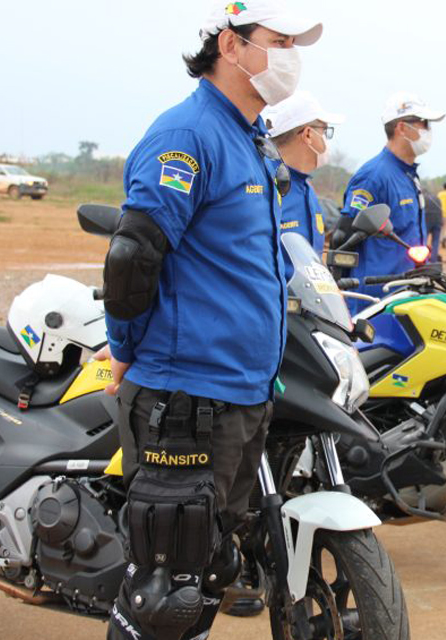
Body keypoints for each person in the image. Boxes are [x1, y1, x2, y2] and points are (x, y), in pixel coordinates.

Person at [101, 2, 321, 639]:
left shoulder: (245, 138)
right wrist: (123, 348)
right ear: (231, 44)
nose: (290, 57)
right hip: (185, 397)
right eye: (278, 41)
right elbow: (133, 257)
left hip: (240, 396)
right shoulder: (188, 135)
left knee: (205, 575)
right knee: (163, 592)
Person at [339, 91, 445, 311]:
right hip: (374, 301)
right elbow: (346, 236)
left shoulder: (408, 174)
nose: (428, 131)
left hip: (403, 293)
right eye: (423, 123)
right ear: (402, 128)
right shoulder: (374, 176)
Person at [268, 90, 344, 280]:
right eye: (324, 131)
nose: (326, 139)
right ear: (308, 134)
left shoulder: (305, 188)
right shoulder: (266, 186)